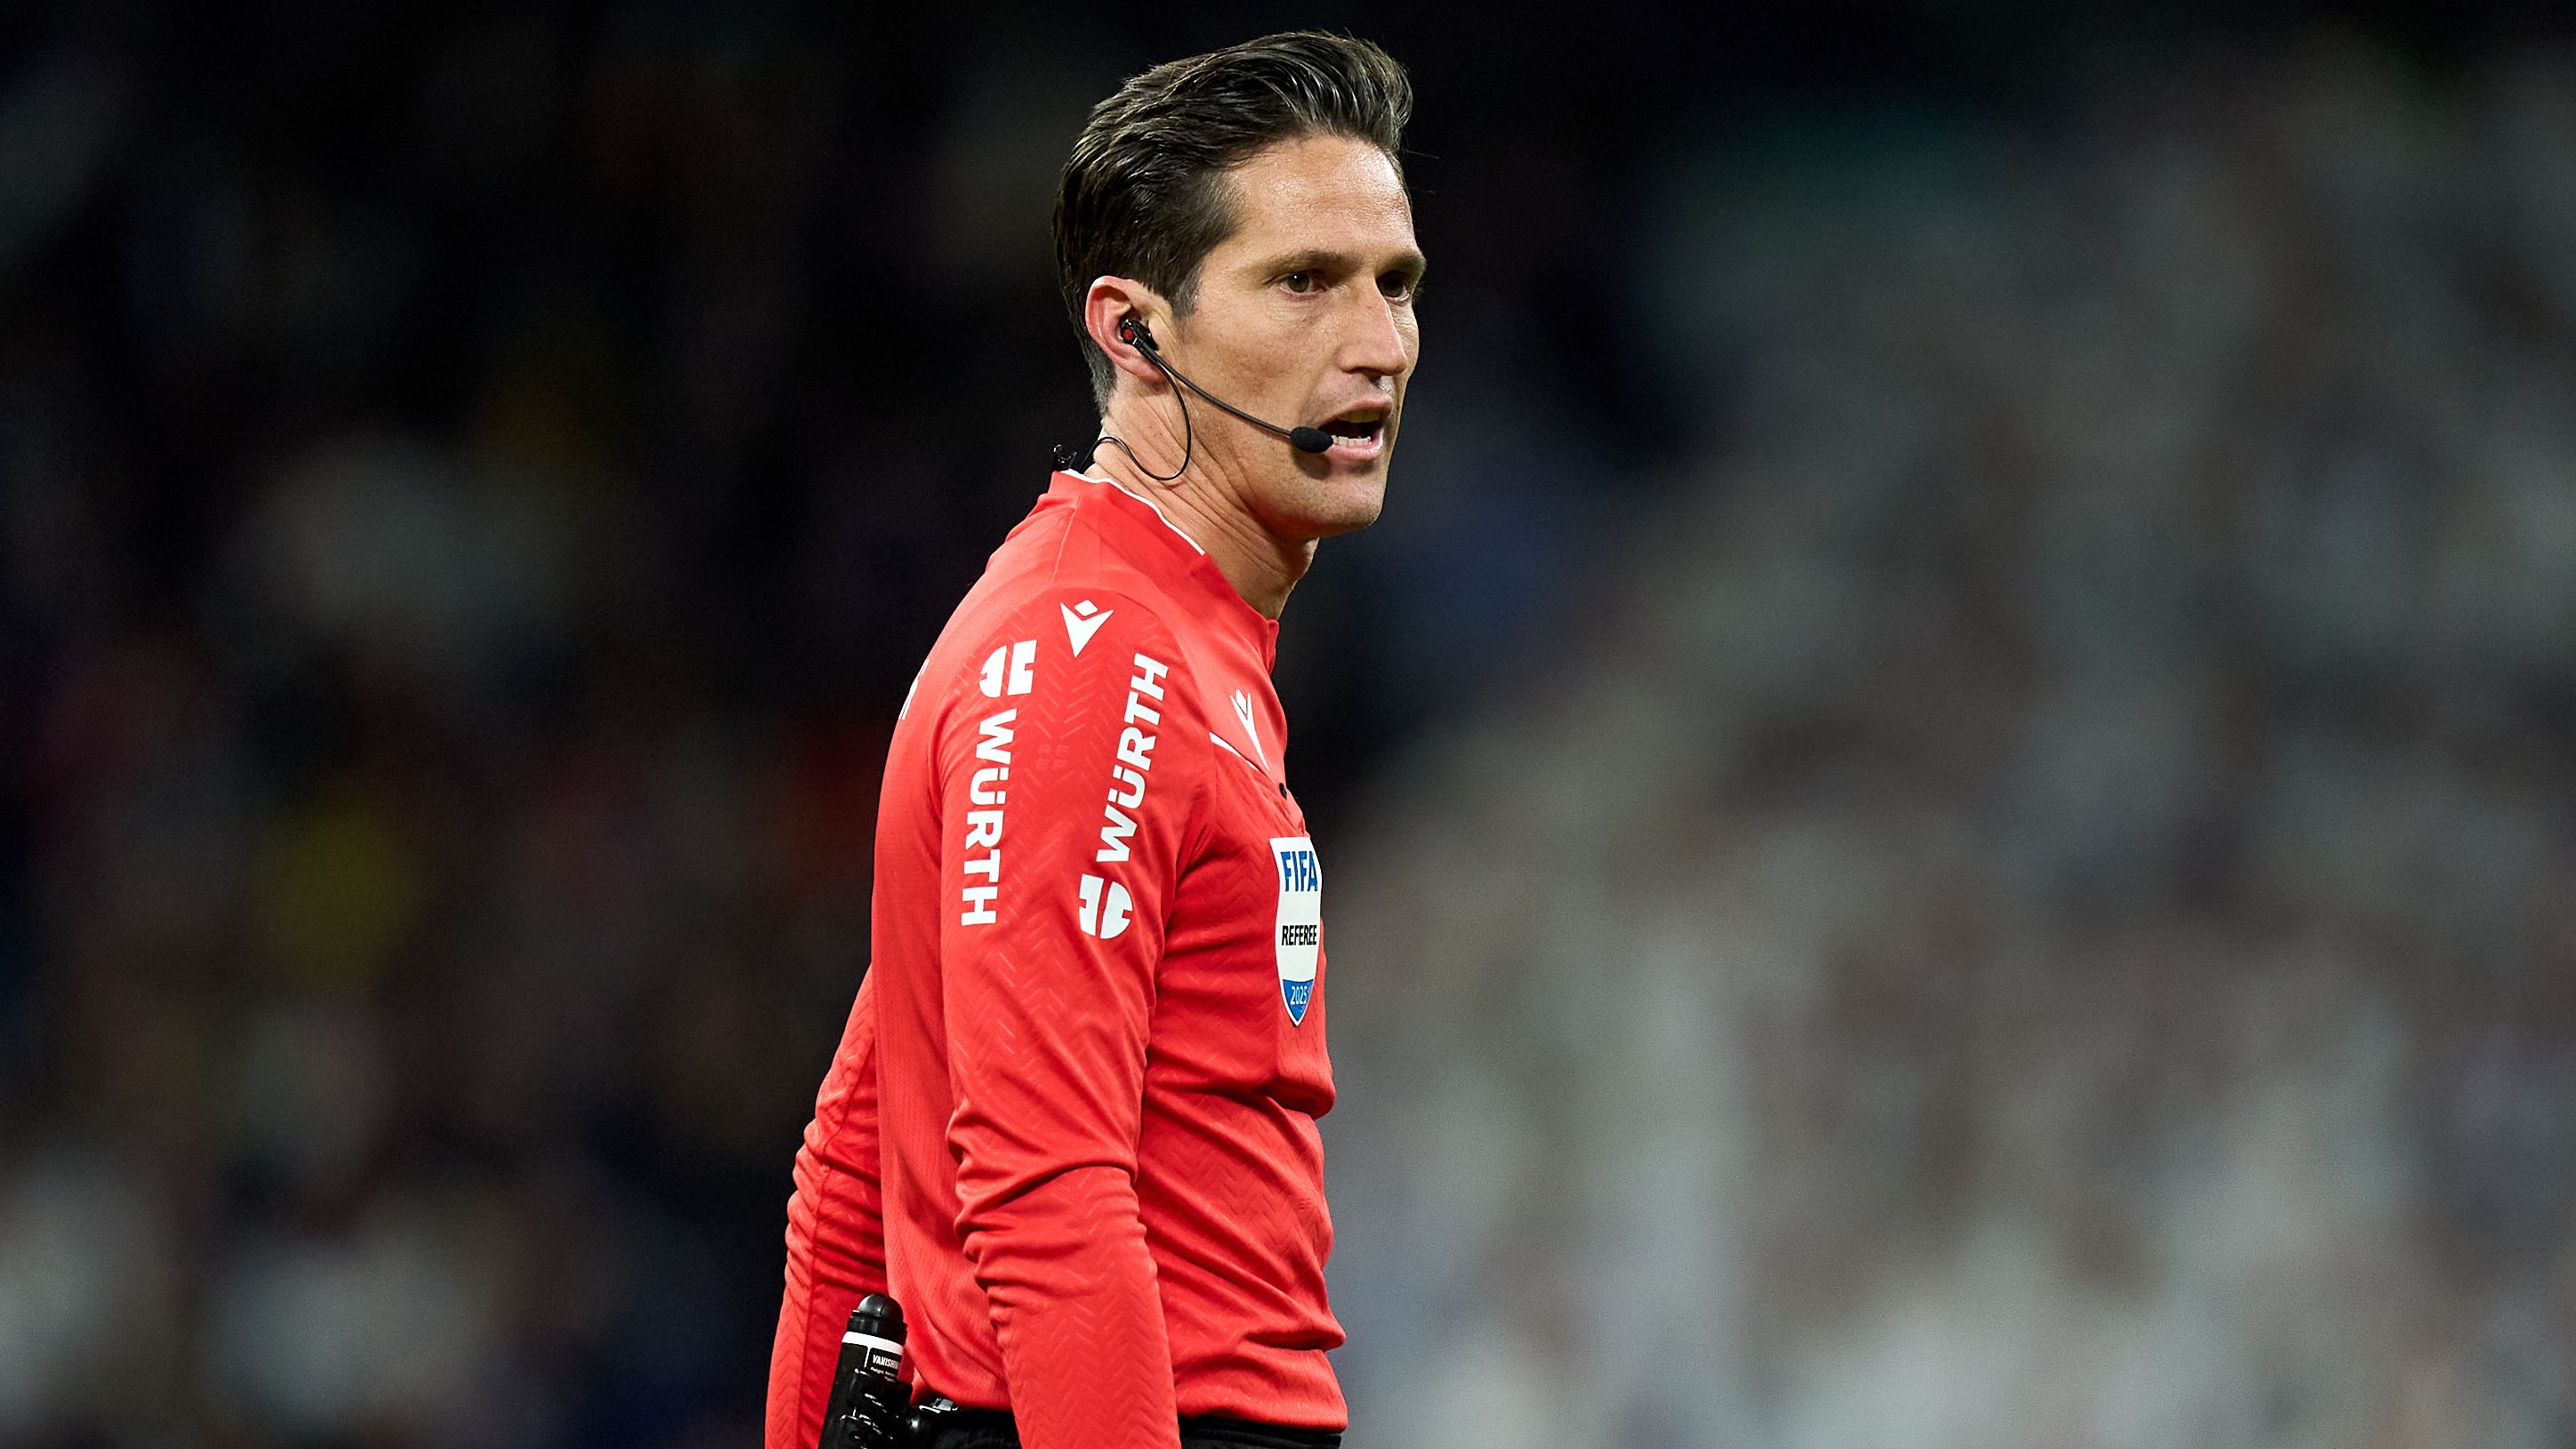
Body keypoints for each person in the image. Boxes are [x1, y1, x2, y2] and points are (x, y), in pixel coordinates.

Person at [763, 32, 1424, 1449]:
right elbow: (1044, 1185)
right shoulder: (1092, 659)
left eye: (1395, 283)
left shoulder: (1154, 639)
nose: (1379, 342)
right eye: (1304, 282)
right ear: (1136, 333)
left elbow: (861, 1149)